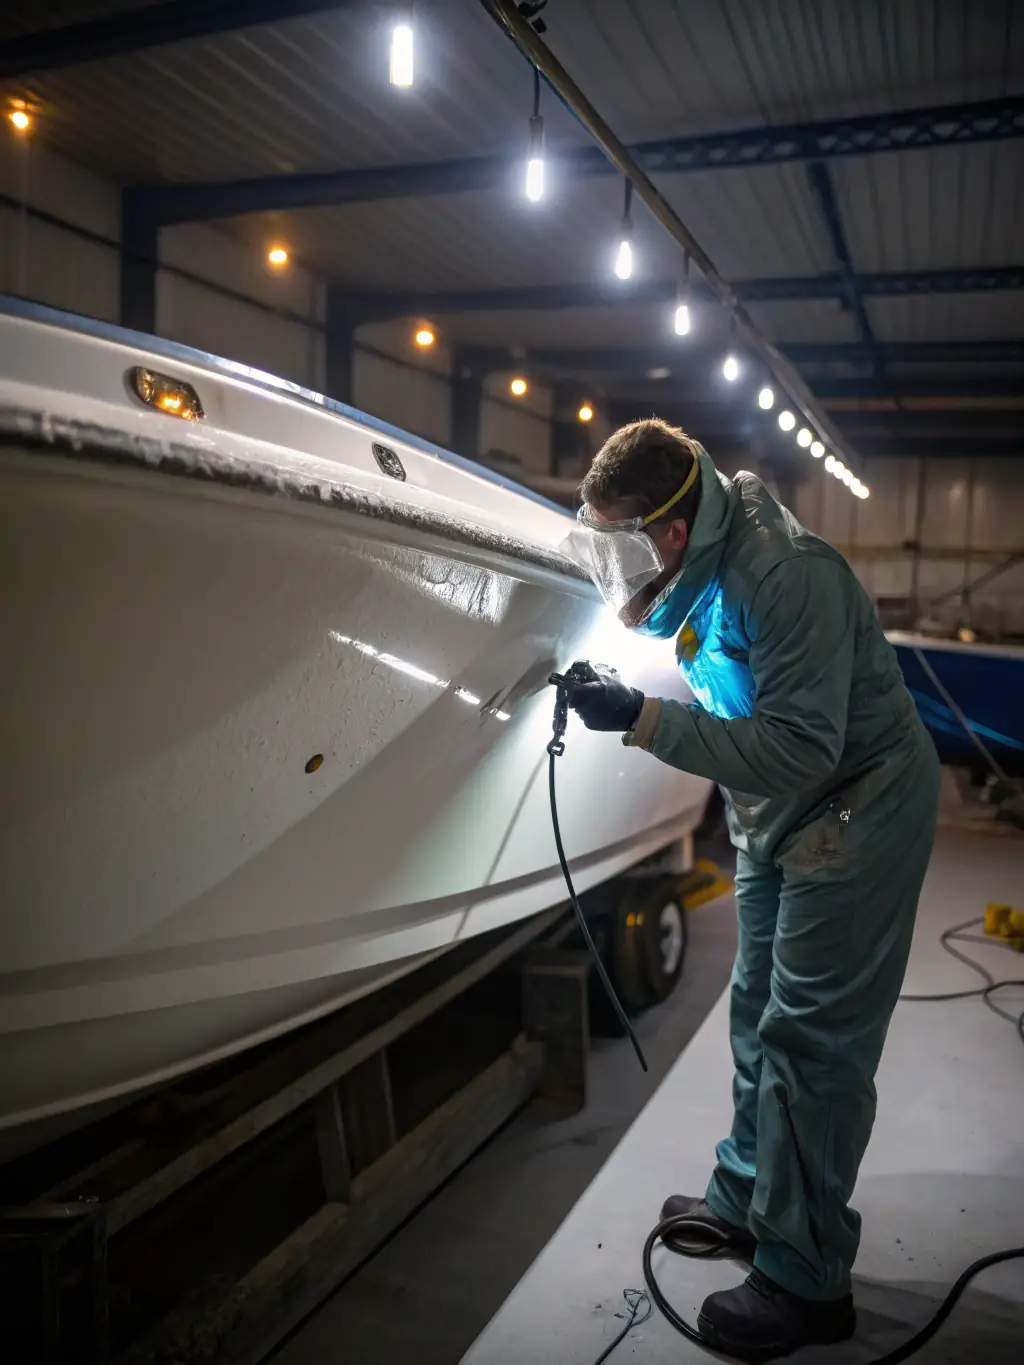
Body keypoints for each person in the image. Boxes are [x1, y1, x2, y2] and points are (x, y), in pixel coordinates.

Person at [563, 418, 940, 1360]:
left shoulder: (784, 574)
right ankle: (747, 1196)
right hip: (778, 814)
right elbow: (750, 711)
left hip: (855, 809)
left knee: (811, 1039)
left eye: (622, 546)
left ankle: (807, 1278)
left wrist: (645, 718)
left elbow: (803, 744)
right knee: (757, 1005)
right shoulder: (701, 570)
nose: (619, 573)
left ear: (671, 532)